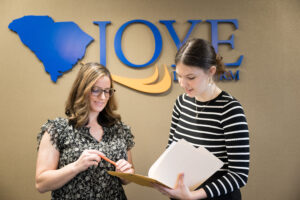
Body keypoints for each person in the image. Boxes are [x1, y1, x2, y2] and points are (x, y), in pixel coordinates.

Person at [153, 38, 250, 200]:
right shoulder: (181, 102)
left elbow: (239, 174)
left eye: (191, 77)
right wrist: (162, 178)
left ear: (211, 71)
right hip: (182, 195)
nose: (183, 84)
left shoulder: (229, 109)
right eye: (179, 76)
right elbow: (172, 150)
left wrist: (193, 196)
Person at [35, 62, 135, 200]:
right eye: (96, 90)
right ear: (82, 90)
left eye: (107, 91)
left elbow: (127, 178)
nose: (103, 97)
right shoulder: (57, 130)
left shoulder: (120, 130)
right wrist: (76, 166)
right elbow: (41, 184)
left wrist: (125, 173)